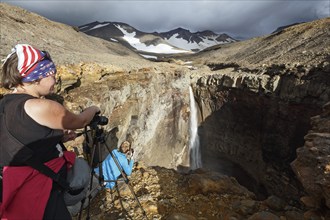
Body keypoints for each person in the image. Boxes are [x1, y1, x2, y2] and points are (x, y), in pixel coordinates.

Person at [0, 44, 100, 220]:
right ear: (38, 76)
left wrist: (58, 138)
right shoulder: (42, 106)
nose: (55, 79)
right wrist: (94, 109)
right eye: (52, 73)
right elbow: (81, 121)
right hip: (39, 187)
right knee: (82, 170)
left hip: (10, 185)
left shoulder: (5, 104)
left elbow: (19, 138)